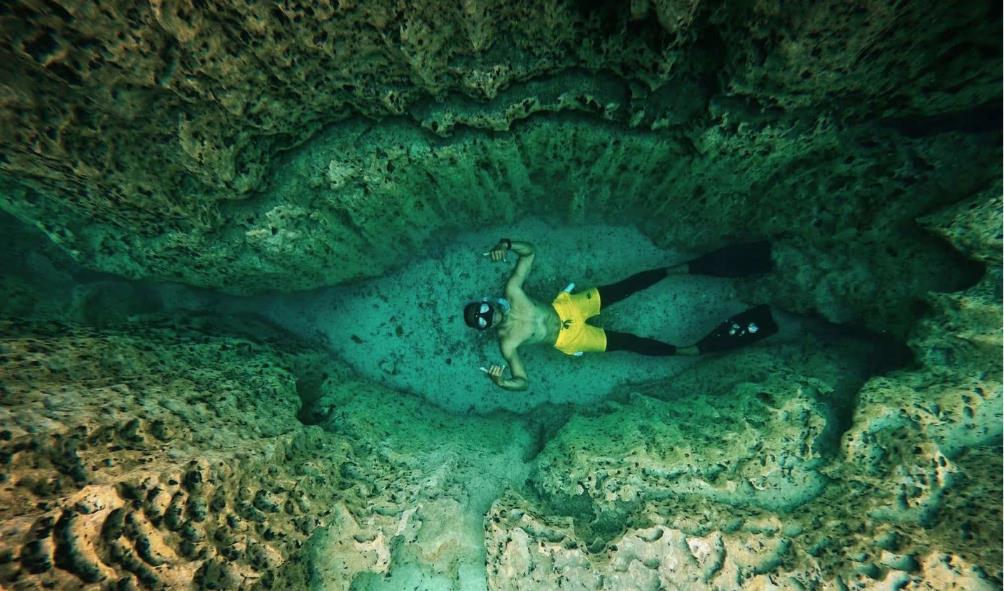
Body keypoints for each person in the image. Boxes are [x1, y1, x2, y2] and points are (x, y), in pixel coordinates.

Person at [463, 238, 778, 391]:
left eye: (484, 310)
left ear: (487, 302)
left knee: (627, 286)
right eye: (482, 321)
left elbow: (528, 252)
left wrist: (505, 244)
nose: (488, 317)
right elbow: (523, 381)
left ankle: (684, 269)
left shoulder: (513, 292)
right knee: (630, 342)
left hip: (569, 307)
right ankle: (691, 349)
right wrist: (502, 383)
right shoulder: (507, 345)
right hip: (568, 337)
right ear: (484, 329)